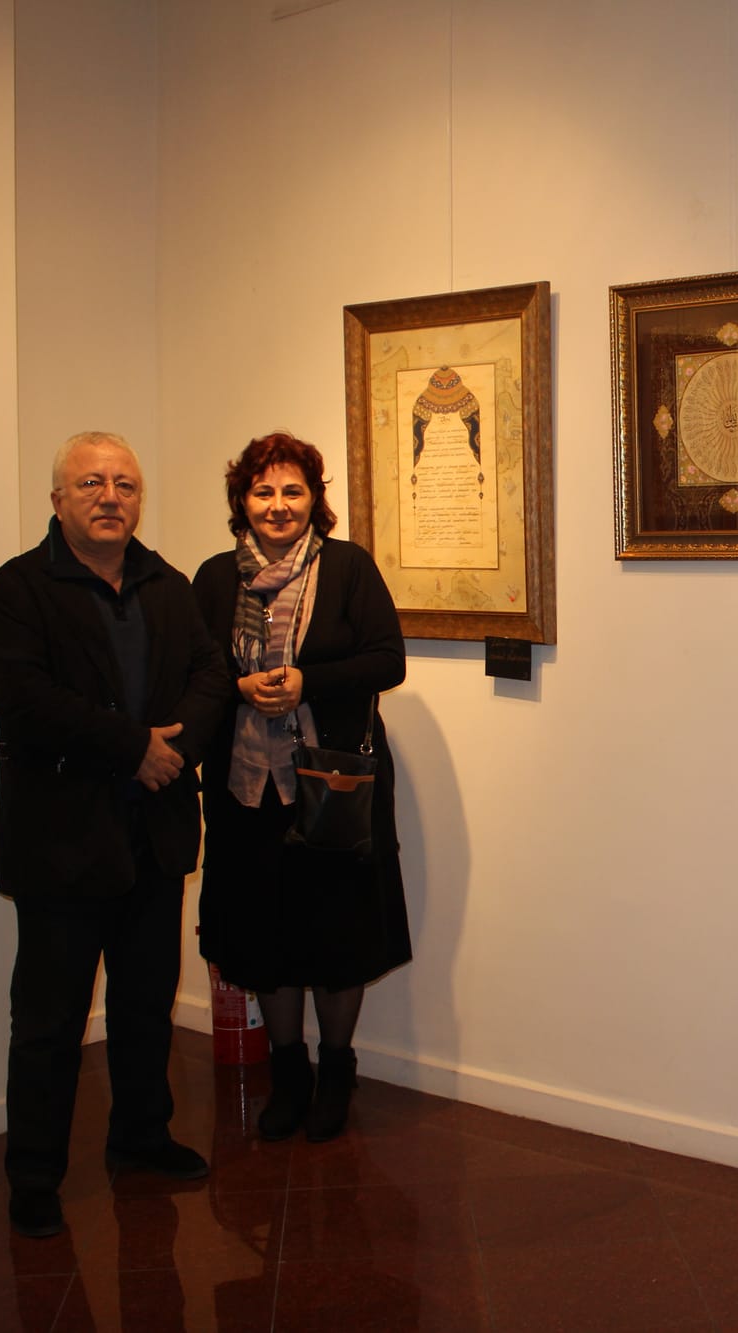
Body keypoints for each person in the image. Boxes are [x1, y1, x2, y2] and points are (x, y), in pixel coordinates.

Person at [0, 431, 234, 1239]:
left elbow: (211, 675)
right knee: (49, 1022)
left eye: (125, 483)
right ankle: (33, 1176)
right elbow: (25, 702)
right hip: (60, 840)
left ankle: (142, 1135)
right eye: (91, 483)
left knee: (146, 1004)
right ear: (58, 500)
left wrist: (175, 748)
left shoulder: (166, 584)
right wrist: (135, 748)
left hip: (154, 834)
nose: (110, 496)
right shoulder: (17, 590)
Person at [192, 431, 412, 1143]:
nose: (279, 505)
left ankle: (337, 1071)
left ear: (316, 499)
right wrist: (239, 687)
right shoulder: (214, 578)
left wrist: (306, 681)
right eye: (264, 491)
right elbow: (195, 673)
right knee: (264, 935)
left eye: (294, 490)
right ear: (242, 501)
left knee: (337, 932)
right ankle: (288, 1074)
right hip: (245, 792)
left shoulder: (348, 568)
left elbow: (388, 660)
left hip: (330, 788)